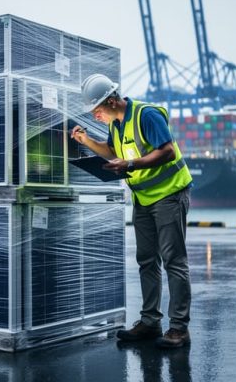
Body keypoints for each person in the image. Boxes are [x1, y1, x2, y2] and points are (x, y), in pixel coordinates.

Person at [71, 74, 193, 349]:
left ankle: (179, 329)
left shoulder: (146, 115)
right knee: (147, 260)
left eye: (97, 111)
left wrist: (131, 165)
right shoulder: (116, 125)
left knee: (174, 261)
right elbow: (112, 152)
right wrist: (86, 140)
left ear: (112, 101)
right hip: (144, 198)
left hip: (170, 195)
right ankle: (150, 323)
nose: (96, 116)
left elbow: (168, 152)